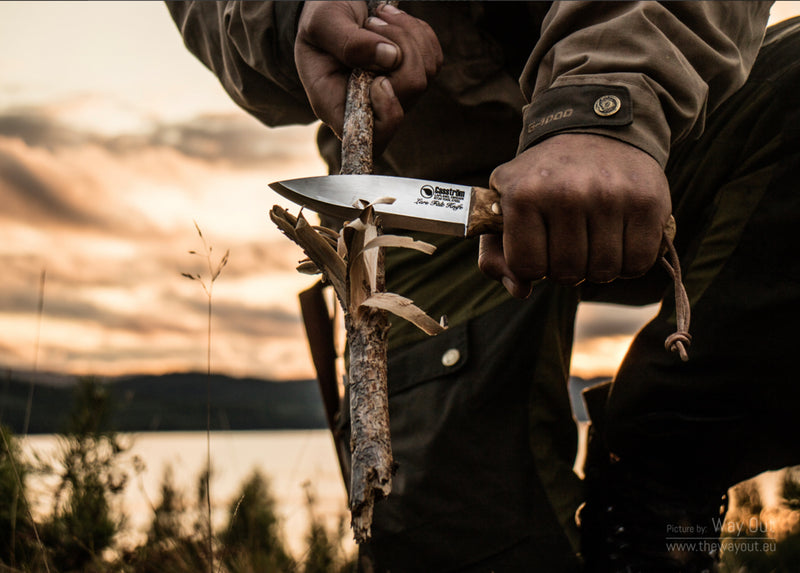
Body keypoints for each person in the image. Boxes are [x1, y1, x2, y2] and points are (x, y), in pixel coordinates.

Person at [166, 2, 800, 571]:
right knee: (456, 538)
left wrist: (603, 104)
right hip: (420, 190)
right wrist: (293, 14)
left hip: (664, 119)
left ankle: (662, 468)